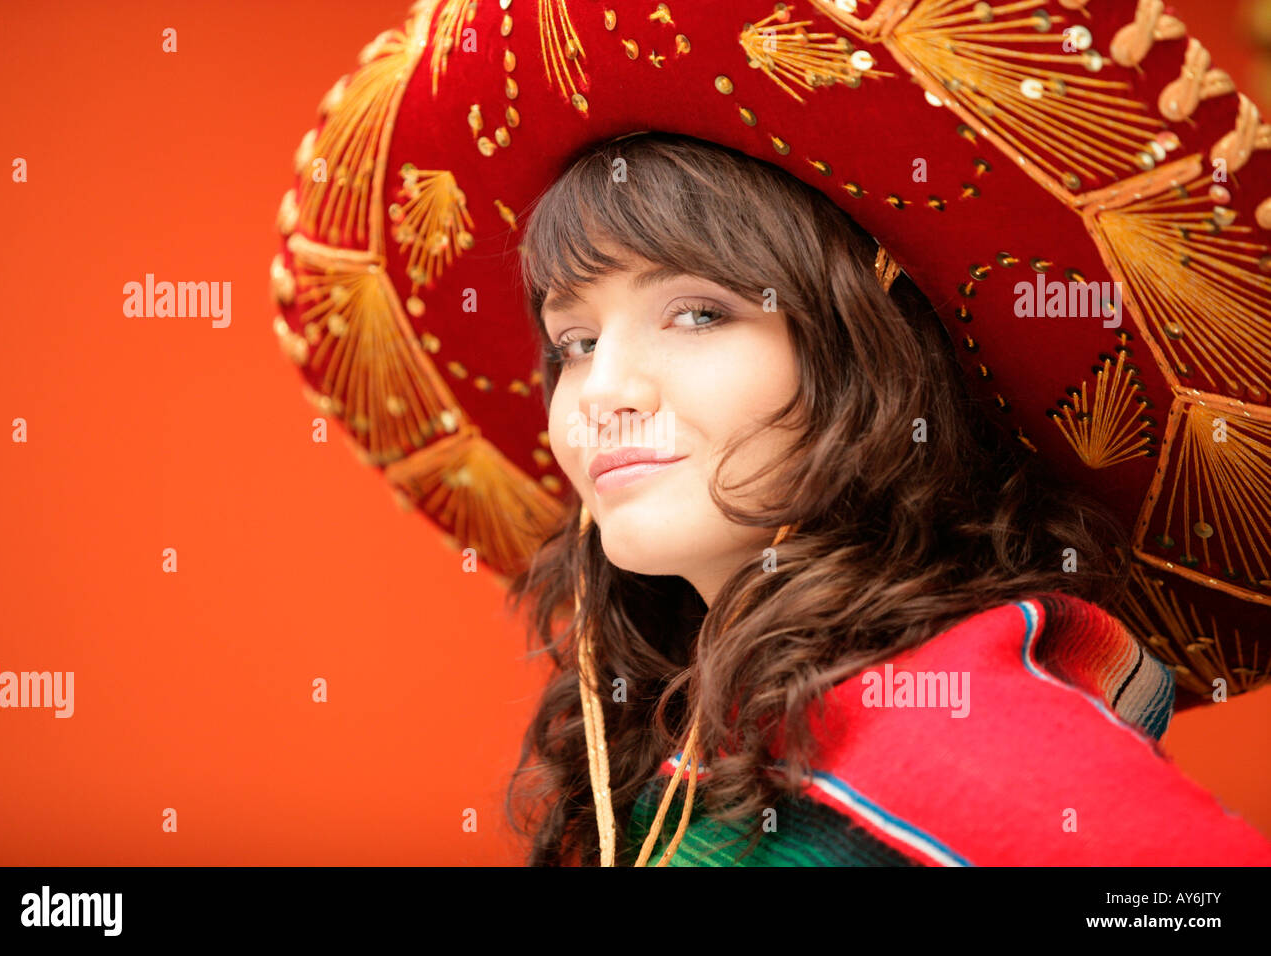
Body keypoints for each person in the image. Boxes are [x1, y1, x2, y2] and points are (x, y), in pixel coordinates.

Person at [503, 132, 1271, 866]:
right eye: (575, 343)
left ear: (871, 357)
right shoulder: (689, 727)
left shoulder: (963, 723)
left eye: (700, 313)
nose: (601, 391)